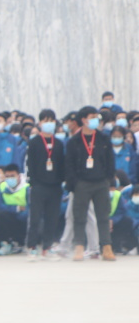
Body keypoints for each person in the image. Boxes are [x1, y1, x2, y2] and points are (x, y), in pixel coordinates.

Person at [65, 106, 116, 261]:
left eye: (96, 117)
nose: (95, 120)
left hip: (101, 182)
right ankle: (79, 247)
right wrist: (73, 183)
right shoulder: (74, 141)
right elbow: (69, 164)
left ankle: (106, 247)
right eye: (92, 117)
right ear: (84, 120)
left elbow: (110, 160)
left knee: (103, 215)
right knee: (79, 216)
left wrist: (109, 179)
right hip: (82, 183)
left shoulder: (103, 138)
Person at [25, 111, 66, 260]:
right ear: (40, 123)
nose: (49, 123)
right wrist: (33, 182)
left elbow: (62, 164)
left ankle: (47, 247)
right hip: (38, 185)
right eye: (46, 120)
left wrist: (61, 181)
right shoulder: (34, 142)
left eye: (52, 120)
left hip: (55, 186)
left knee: (52, 218)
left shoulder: (59, 143)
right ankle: (32, 247)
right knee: (35, 218)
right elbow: (30, 164)